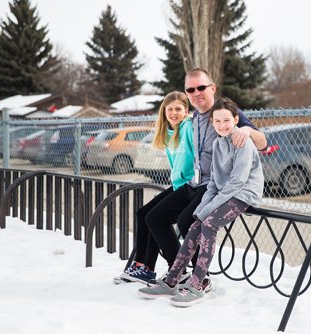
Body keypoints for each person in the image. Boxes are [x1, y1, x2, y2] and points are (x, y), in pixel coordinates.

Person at [143, 68, 267, 291]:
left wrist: (248, 131)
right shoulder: (193, 118)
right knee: (154, 216)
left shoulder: (224, 112)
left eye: (201, 87)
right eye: (190, 89)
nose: (196, 92)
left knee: (186, 220)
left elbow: (262, 142)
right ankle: (177, 272)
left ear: (212, 88)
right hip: (195, 182)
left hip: (216, 184)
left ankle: (202, 278)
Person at [113, 91, 194, 284]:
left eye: (178, 109)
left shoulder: (189, 127)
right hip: (178, 186)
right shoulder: (167, 133)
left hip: (192, 186)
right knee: (143, 214)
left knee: (155, 218)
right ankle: (144, 268)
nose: (174, 113)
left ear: (186, 111)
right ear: (164, 111)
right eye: (170, 109)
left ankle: (178, 269)